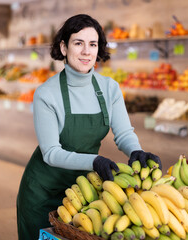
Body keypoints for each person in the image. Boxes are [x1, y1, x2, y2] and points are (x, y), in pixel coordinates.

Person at [17, 14, 161, 240]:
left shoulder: (109, 88)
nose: (86, 51)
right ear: (64, 47)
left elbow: (123, 133)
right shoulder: (47, 93)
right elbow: (51, 153)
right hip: (42, 192)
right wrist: (93, 160)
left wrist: (136, 151)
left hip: (84, 190)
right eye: (78, 43)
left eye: (92, 44)